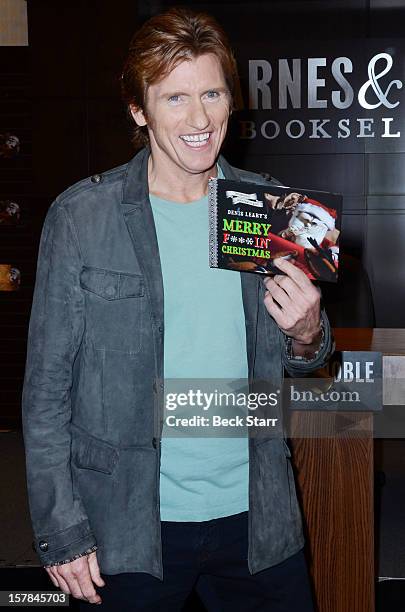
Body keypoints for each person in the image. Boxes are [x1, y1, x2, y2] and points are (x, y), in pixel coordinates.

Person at [22, 7, 334, 611]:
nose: (200, 119)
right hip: (130, 525)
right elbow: (45, 394)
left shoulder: (269, 208)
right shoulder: (83, 218)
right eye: (175, 98)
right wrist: (61, 531)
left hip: (257, 518)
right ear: (138, 110)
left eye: (212, 93)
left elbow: (302, 365)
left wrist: (307, 332)